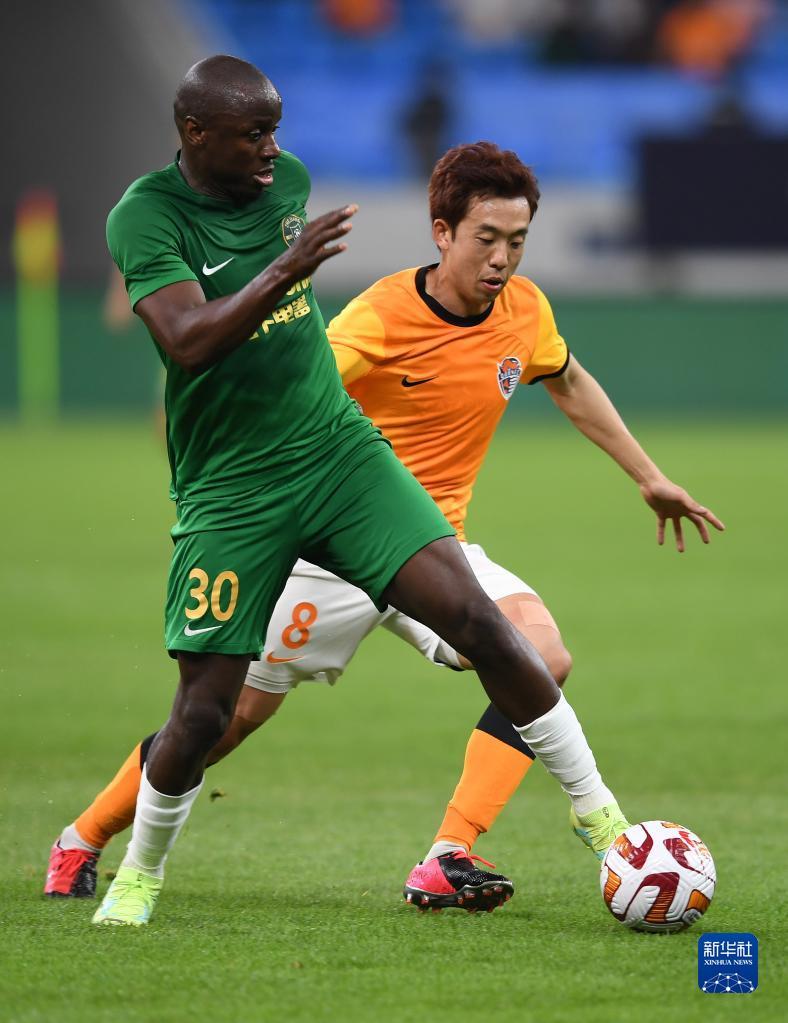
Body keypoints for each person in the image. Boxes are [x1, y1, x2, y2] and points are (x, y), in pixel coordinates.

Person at [46, 110, 719, 923]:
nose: (502, 258)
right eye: (486, 238)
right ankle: (83, 836)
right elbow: (290, 391)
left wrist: (649, 476)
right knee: (223, 720)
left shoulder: (526, 312)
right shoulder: (381, 316)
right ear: (442, 233)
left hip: (429, 545)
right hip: (325, 548)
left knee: (539, 652)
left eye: (517, 240)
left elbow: (569, 380)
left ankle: (449, 853)